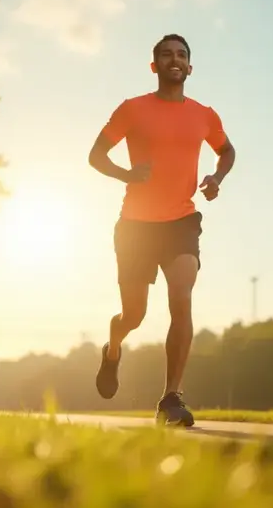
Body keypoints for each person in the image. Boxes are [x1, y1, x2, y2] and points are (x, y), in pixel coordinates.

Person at [87, 33, 236, 427]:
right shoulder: (132, 109)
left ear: (190, 67)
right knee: (133, 315)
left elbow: (227, 150)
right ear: (155, 66)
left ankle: (171, 398)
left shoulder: (205, 114)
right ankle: (113, 346)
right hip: (135, 226)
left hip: (182, 222)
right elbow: (96, 154)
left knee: (181, 299)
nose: (175, 59)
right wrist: (126, 174)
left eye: (182, 55)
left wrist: (217, 178)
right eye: (167, 55)